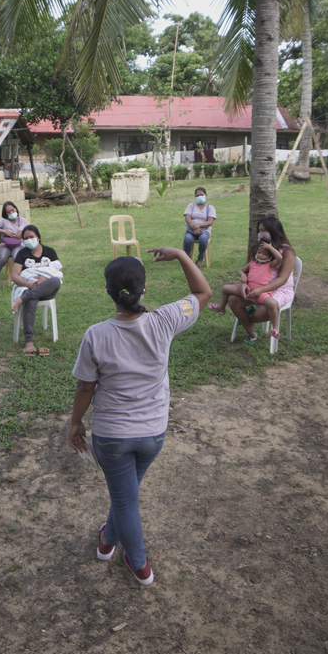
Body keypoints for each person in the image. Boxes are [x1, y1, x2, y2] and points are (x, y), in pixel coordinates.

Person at [69, 248, 211, 586]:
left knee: (125, 499)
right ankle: (106, 542)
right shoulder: (165, 320)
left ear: (108, 292)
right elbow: (203, 293)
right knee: (126, 496)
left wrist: (75, 423)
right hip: (153, 435)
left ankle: (140, 565)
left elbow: (85, 389)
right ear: (143, 290)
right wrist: (179, 255)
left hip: (113, 437)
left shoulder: (96, 335)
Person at [220, 216, 298, 342]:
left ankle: (247, 318)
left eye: (264, 230)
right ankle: (251, 332)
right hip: (256, 286)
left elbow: (282, 279)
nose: (260, 234)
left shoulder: (287, 252)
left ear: (274, 231)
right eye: (259, 230)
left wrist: (261, 290)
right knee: (233, 299)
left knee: (264, 310)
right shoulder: (258, 249)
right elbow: (251, 270)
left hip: (278, 288)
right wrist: (244, 282)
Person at [8, 224, 63, 356]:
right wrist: (29, 284)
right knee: (31, 298)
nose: (29, 240)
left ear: (38, 237)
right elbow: (15, 275)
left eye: (31, 236)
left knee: (55, 280)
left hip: (48, 289)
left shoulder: (49, 251)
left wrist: (44, 277)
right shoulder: (22, 253)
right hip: (29, 286)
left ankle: (21, 300)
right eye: (25, 238)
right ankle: (29, 341)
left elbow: (58, 272)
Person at [0, 201, 30, 293]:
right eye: (8, 212)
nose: (11, 213)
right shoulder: (3, 221)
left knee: (18, 257)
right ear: (6, 213)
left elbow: (18, 236)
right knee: (1, 259)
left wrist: (6, 234)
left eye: (12, 210)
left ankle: (25, 280)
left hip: (18, 245)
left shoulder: (22, 220)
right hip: (5, 245)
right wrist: (5, 231)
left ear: (16, 209)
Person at [182, 187, 215, 265]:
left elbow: (210, 222)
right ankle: (188, 259)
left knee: (203, 239)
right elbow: (187, 218)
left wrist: (198, 226)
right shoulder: (191, 205)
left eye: (202, 195)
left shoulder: (210, 208)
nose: (199, 197)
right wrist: (194, 226)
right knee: (187, 239)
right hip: (191, 231)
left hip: (204, 231)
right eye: (197, 195)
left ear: (206, 195)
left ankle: (200, 259)